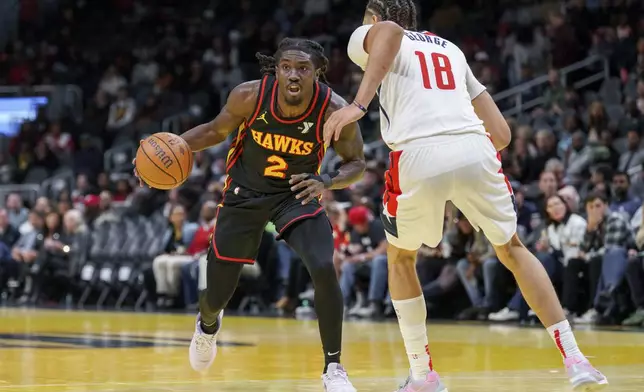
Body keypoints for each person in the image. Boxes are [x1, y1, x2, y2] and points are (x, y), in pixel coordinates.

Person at [323, 1, 607, 391]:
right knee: (513, 249)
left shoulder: (377, 32)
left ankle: (423, 376)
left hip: (418, 152)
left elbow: (388, 33)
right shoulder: (450, 49)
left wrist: (358, 106)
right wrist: (459, 167)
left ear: (373, 17)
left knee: (401, 259)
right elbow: (503, 134)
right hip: (476, 148)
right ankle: (576, 359)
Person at [135, 38, 365, 391]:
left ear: (317, 73)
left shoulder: (334, 109)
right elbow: (214, 131)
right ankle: (207, 326)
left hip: (296, 194)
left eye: (302, 69)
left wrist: (327, 180)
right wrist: (169, 149)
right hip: (244, 195)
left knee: (322, 265)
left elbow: (357, 163)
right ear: (276, 69)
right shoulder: (250, 95)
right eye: (286, 66)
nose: (293, 74)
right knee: (216, 296)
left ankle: (333, 368)